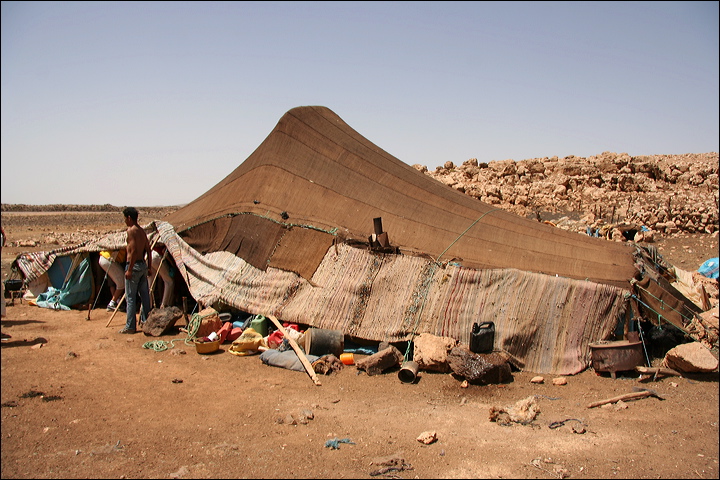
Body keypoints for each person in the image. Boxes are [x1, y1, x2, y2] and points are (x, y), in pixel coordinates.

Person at [119, 207, 153, 334]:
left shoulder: (131, 231)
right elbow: (148, 250)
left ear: (129, 218)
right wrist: (149, 267)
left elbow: (133, 252)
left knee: (131, 297)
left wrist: (129, 270)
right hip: (143, 266)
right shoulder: (142, 231)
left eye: (125, 219)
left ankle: (130, 326)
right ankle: (147, 321)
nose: (125, 221)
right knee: (144, 295)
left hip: (134, 267)